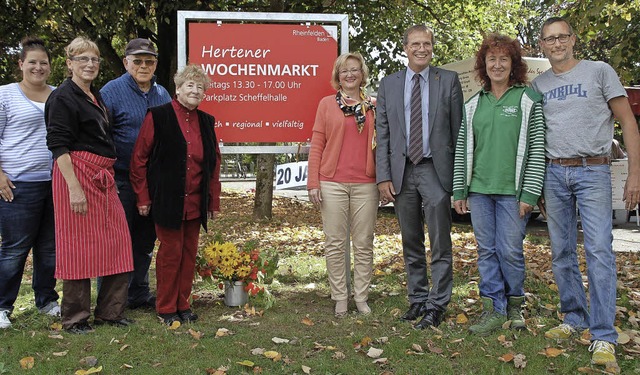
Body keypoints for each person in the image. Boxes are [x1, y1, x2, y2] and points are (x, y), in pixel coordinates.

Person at [532, 17, 640, 366]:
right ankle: (574, 316)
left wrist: (634, 174)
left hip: (593, 170)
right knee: (561, 251)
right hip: (553, 172)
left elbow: (628, 122)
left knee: (598, 251)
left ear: (573, 39)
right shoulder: (539, 85)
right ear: (542, 46)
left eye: (562, 37)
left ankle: (604, 334)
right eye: (549, 39)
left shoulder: (599, 71)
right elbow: (534, 139)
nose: (557, 43)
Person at [452, 34, 546, 335]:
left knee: (510, 250)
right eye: (491, 59)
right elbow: (463, 150)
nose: (497, 64)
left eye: (503, 59)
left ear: (513, 64)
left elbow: (537, 149)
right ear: (483, 65)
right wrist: (459, 190)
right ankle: (493, 307)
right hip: (479, 191)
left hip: (512, 193)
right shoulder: (472, 104)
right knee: (487, 251)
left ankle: (516, 304)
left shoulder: (528, 99)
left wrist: (530, 192)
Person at [376, 25, 463, 329]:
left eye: (427, 43)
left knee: (440, 240)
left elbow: (458, 132)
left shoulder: (448, 80)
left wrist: (459, 178)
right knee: (410, 240)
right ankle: (417, 299)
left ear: (432, 47)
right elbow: (383, 135)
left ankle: (438, 304)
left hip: (435, 170)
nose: (422, 49)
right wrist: (383, 177)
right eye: (416, 44)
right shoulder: (388, 84)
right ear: (405, 47)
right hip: (402, 172)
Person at [45, 37, 134, 334]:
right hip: (76, 174)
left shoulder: (94, 95)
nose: (90, 64)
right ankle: (75, 318)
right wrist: (74, 187)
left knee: (119, 241)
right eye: (82, 59)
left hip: (103, 177)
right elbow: (58, 146)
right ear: (69, 63)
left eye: (94, 59)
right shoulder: (62, 97)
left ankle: (110, 312)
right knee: (78, 248)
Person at [130, 65, 221, 326]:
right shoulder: (158, 116)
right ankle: (166, 307)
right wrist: (143, 198)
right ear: (178, 89)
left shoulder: (206, 121)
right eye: (190, 85)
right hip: (166, 199)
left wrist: (213, 201)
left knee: (189, 253)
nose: (195, 90)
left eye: (200, 87)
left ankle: (184, 304)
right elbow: (139, 160)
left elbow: (213, 163)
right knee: (171, 253)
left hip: (195, 200)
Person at [100, 38, 171, 309]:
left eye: (149, 61)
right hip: (119, 179)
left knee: (143, 241)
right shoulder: (111, 91)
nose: (144, 66)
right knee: (117, 243)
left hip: (152, 182)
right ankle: (110, 301)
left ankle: (138, 294)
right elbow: (101, 137)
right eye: (138, 61)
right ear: (126, 62)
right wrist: (106, 176)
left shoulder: (162, 94)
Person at [307, 52, 378, 318]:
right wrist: (313, 181)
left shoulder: (373, 105)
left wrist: (382, 180)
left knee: (364, 243)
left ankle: (360, 296)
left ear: (362, 75)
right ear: (338, 75)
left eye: (355, 70)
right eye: (344, 70)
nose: (350, 74)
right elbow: (317, 145)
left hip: (366, 184)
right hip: (331, 183)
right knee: (335, 242)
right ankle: (339, 296)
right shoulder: (326, 104)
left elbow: (382, 146)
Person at [0, 37, 60, 329]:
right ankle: (2, 306)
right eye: (32, 62)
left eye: (43, 62)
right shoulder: (5, 95)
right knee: (14, 249)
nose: (38, 67)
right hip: (18, 184)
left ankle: (47, 299)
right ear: (21, 64)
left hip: (54, 182)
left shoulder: (59, 95)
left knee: (49, 248)